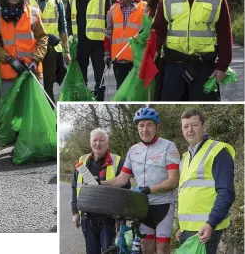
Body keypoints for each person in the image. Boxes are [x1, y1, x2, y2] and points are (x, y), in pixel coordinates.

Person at [153, 0, 233, 101]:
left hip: (204, 67)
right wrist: (154, 51)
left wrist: (222, 65)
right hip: (173, 65)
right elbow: (158, 29)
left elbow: (225, 33)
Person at [101, 107, 180, 254]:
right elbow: (121, 179)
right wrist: (101, 183)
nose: (145, 129)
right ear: (137, 128)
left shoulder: (168, 146)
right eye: (141, 125)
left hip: (164, 205)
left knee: (162, 249)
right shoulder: (133, 150)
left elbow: (174, 181)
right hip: (142, 208)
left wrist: (150, 189)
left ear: (157, 127)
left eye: (149, 125)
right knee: (146, 248)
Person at [176, 108, 235, 254]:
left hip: (207, 229)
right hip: (188, 229)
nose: (190, 130)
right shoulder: (184, 158)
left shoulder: (218, 151)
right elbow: (186, 193)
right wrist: (182, 228)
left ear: (204, 126)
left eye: (194, 125)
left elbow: (226, 192)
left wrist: (211, 223)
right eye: (186, 126)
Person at [71, 128, 129, 254]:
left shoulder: (118, 161)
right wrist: (75, 212)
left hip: (109, 219)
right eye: (95, 140)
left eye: (102, 140)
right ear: (90, 142)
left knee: (110, 251)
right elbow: (75, 188)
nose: (98, 144)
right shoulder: (82, 161)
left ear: (107, 143)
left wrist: (121, 220)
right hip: (87, 218)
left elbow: (126, 190)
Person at [0, 0, 48, 98]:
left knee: (35, 109)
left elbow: (42, 38)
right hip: (9, 72)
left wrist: (35, 60)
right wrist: (9, 59)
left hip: (32, 71)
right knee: (8, 111)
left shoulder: (33, 12)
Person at [66, 0, 112, 101]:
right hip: (79, 42)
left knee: (100, 76)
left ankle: (100, 99)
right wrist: (70, 36)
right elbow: (68, 19)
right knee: (81, 77)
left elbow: (110, 19)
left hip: (98, 42)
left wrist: (108, 41)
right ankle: (83, 99)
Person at [27, 0, 71, 105]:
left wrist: (67, 51)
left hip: (51, 50)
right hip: (32, 49)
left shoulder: (57, 2)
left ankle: (50, 117)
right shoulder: (26, 0)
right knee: (32, 84)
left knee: (48, 86)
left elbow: (63, 28)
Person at [104, 0, 147, 89]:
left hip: (138, 60)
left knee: (138, 92)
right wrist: (107, 55)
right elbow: (108, 34)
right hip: (119, 60)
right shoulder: (112, 9)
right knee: (121, 92)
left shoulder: (146, 8)